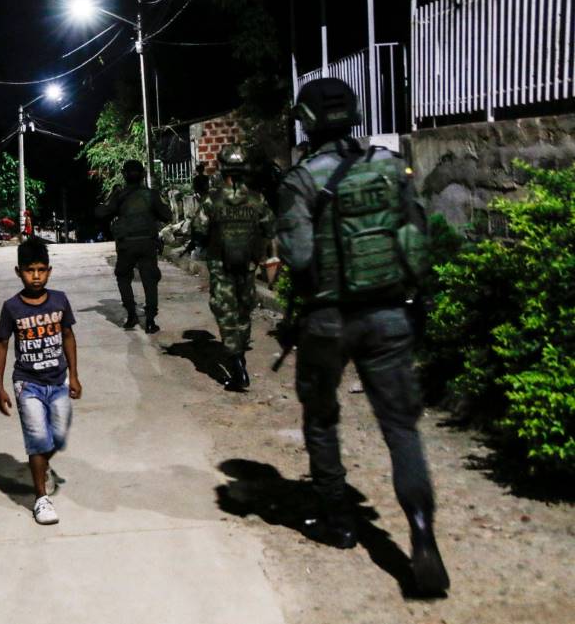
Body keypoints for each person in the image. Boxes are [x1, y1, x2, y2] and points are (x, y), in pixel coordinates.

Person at [277, 77, 449, 595]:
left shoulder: (301, 180)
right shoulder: (389, 166)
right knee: (401, 429)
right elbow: (416, 240)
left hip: (327, 321)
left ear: (306, 122)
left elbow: (299, 257)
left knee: (323, 418)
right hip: (389, 316)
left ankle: (340, 523)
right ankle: (422, 537)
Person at [0, 238, 82, 525]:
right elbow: (1, 345)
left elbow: (68, 336)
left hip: (58, 381)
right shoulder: (12, 307)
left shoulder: (59, 300)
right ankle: (41, 499)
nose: (36, 276)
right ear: (18, 272)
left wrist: (75, 375)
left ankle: (42, 466)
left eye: (41, 270)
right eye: (30, 270)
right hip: (27, 383)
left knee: (57, 436)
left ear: (50, 271)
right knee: (36, 439)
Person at [189, 144, 275, 392]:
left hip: (221, 265)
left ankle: (237, 366)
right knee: (244, 310)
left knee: (225, 311)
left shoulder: (212, 199)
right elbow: (270, 229)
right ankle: (240, 353)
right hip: (248, 266)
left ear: (222, 168)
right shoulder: (257, 199)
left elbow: (199, 230)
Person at [95, 159, 172, 333]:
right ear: (143, 176)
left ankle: (131, 315)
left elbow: (100, 213)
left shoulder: (119, 196)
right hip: (147, 244)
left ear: (124, 176)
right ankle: (150, 321)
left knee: (123, 277)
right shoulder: (151, 195)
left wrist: (112, 197)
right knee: (150, 281)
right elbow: (167, 215)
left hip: (126, 245)